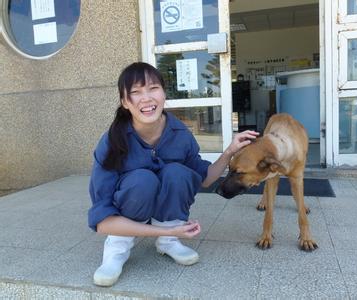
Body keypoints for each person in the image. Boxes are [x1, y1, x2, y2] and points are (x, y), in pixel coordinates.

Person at [88, 62, 259, 287]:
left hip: (167, 214)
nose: (146, 98)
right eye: (136, 92)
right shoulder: (112, 141)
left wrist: (229, 152)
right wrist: (167, 229)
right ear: (125, 102)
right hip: (130, 209)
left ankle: (168, 242)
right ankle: (117, 249)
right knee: (142, 180)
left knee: (178, 173)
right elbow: (103, 221)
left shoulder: (180, 133)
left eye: (153, 88)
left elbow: (205, 178)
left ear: (164, 93)